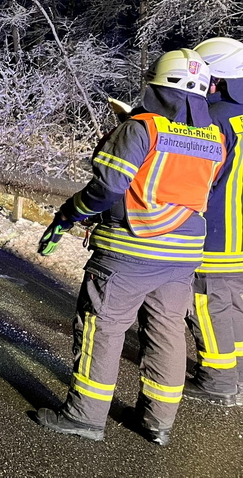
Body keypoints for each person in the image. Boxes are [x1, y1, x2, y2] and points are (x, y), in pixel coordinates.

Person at [36, 49, 225, 445]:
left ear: (157, 85)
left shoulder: (142, 129)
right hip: (184, 255)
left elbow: (108, 188)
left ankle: (85, 417)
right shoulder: (215, 139)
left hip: (130, 249)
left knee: (102, 327)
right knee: (167, 332)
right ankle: (158, 422)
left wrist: (70, 214)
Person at [184, 37, 243, 406]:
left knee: (208, 303)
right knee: (236, 304)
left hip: (218, 233)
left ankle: (219, 380)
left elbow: (199, 174)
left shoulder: (217, 119)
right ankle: (238, 374)